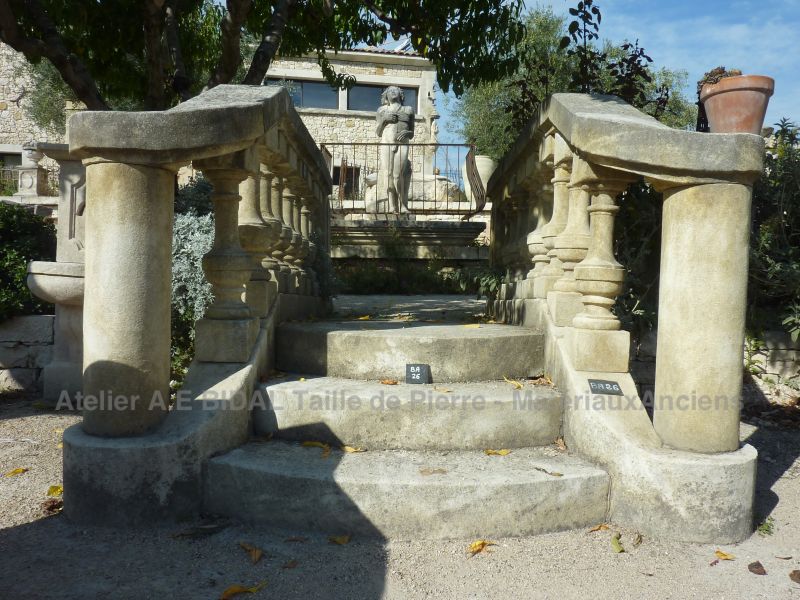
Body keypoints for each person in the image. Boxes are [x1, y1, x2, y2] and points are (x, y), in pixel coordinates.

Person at [375, 86, 414, 213]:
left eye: (395, 90)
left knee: (398, 175)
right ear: (385, 95)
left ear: (400, 94)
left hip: (402, 143)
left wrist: (407, 133)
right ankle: (392, 206)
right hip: (386, 142)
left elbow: (412, 133)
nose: (392, 92)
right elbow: (378, 132)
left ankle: (403, 205)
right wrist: (384, 120)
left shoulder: (408, 110)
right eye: (389, 90)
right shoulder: (381, 110)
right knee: (388, 174)